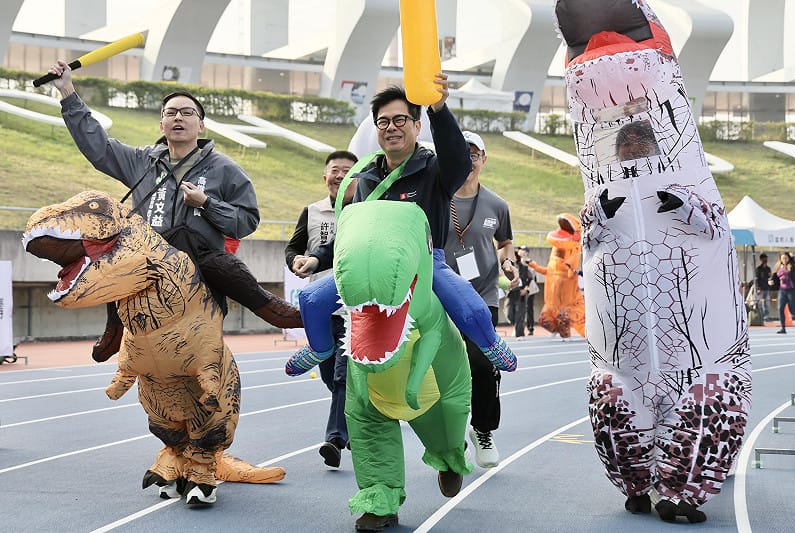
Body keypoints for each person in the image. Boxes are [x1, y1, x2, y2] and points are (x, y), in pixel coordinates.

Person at [48, 60, 302, 361]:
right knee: (115, 251)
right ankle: (114, 325)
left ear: (201, 125)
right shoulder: (143, 161)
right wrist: (67, 91)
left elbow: (246, 221)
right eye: (170, 113)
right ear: (161, 125)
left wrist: (207, 204)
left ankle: (268, 307)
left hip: (199, 262)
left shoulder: (226, 169)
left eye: (187, 113)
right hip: (147, 259)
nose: (178, 118)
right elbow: (98, 146)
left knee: (225, 266)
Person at [291, 81, 516, 369]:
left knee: (471, 309)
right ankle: (320, 348)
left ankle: (490, 343)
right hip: (370, 262)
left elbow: (459, 162)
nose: (391, 127)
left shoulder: (434, 169)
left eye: (400, 120)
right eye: (383, 122)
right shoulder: (366, 179)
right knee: (310, 299)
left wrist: (438, 108)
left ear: (417, 126)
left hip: (423, 264)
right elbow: (353, 236)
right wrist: (316, 258)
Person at [443, 130, 518, 468]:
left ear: (484, 160)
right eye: (463, 153)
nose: (470, 160)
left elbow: (505, 243)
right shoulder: (436, 198)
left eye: (475, 154)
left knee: (483, 364)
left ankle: (483, 430)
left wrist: (509, 263)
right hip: (440, 294)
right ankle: (449, 434)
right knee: (443, 367)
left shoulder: (497, 205)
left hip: (482, 295)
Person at [285, 150, 358, 468]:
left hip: (354, 304)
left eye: (347, 170)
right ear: (325, 176)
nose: (340, 175)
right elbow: (293, 246)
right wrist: (296, 260)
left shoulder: (366, 211)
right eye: (334, 170)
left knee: (343, 373)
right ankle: (353, 420)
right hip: (320, 304)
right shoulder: (312, 211)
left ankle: (335, 438)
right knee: (329, 374)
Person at [506, 248, 532, 339]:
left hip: (521, 293)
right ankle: (516, 326)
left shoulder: (524, 267)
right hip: (511, 294)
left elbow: (530, 279)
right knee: (509, 314)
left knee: (520, 314)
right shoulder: (507, 267)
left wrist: (526, 289)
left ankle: (520, 333)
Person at [770, 252, 795, 334]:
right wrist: (771, 281)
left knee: (793, 310)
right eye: (782, 258)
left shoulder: (792, 266)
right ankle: (783, 328)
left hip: (791, 290)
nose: (784, 260)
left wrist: (793, 258)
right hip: (782, 290)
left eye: (786, 258)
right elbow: (774, 277)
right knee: (780, 308)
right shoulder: (778, 267)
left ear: (788, 258)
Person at [518, 245, 537, 335]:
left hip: (530, 287)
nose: (522, 252)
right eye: (521, 250)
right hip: (521, 286)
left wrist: (526, 263)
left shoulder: (532, 262)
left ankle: (530, 327)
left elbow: (532, 274)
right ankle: (519, 328)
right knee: (520, 308)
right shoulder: (517, 262)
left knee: (529, 307)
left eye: (524, 250)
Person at [755, 253, 772, 319]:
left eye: (766, 258)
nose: (765, 259)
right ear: (761, 259)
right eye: (764, 258)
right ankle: (760, 316)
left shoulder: (768, 268)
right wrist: (758, 288)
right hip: (760, 288)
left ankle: (766, 316)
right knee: (759, 303)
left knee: (766, 303)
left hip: (767, 288)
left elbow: (770, 278)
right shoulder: (758, 269)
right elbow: (756, 280)